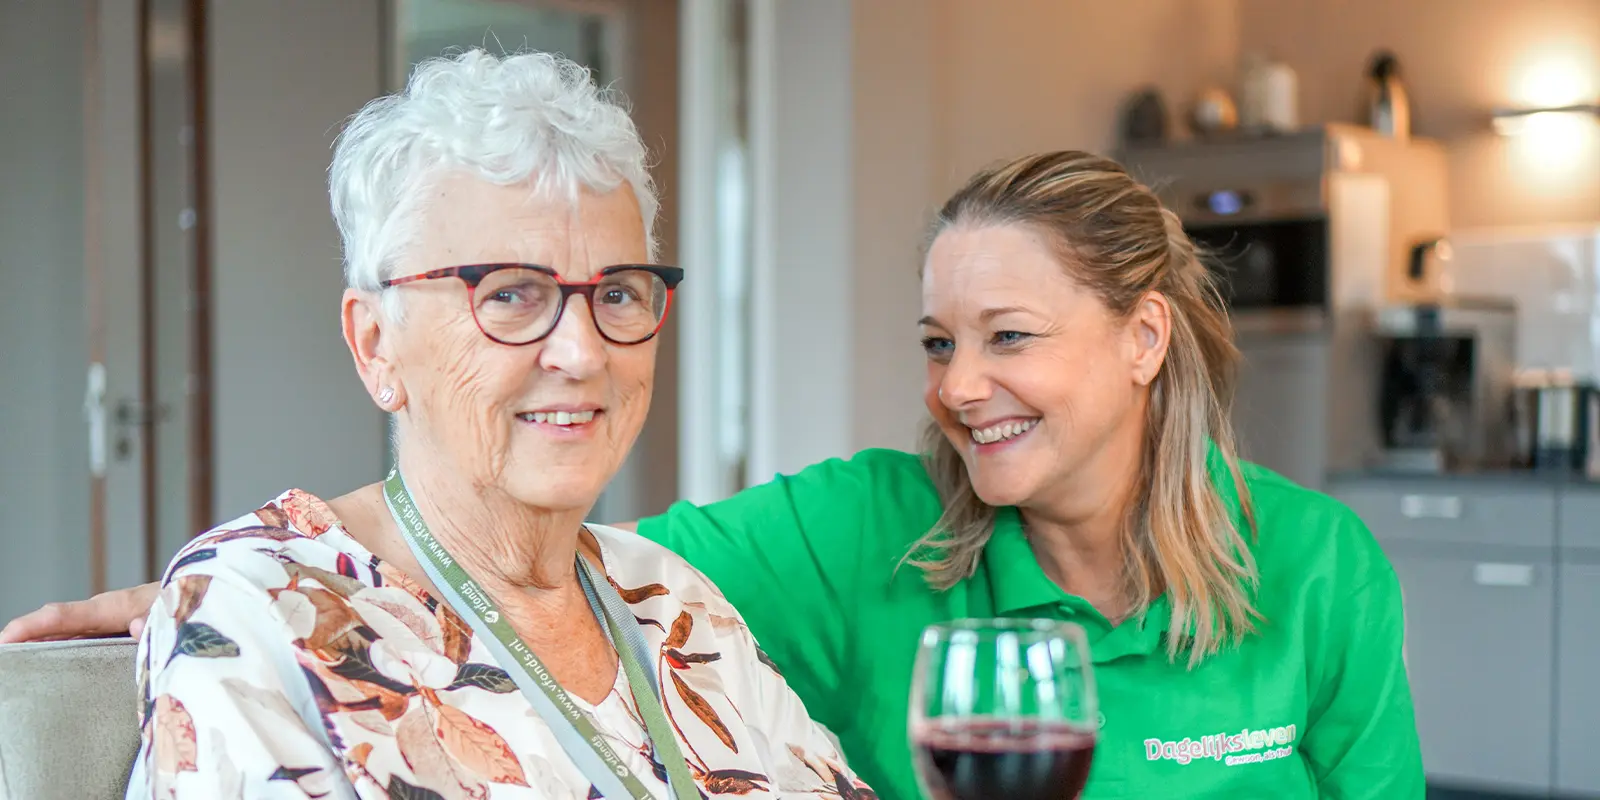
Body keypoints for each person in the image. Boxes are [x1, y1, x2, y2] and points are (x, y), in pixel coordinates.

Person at [8, 150, 1423, 799]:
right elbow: (526, 555)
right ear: (374, 338)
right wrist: (231, 582)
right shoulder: (860, 528)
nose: (958, 385)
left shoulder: (1316, 566)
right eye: (938, 341)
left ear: (1144, 341)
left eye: (1009, 338)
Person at [109, 49, 873, 800]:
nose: (581, 353)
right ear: (376, 344)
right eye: (510, 294)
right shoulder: (265, 612)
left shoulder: (674, 605)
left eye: (616, 294)